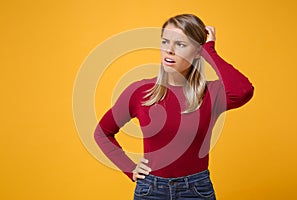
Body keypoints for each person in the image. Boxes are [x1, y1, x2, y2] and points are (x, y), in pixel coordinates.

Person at [94, 14, 254, 200]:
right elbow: (102, 132)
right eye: (165, 41)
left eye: (180, 44)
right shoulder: (139, 91)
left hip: (196, 191)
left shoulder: (211, 93)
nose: (169, 50)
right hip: (150, 190)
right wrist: (130, 169)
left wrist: (209, 50)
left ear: (197, 52)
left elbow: (243, 91)